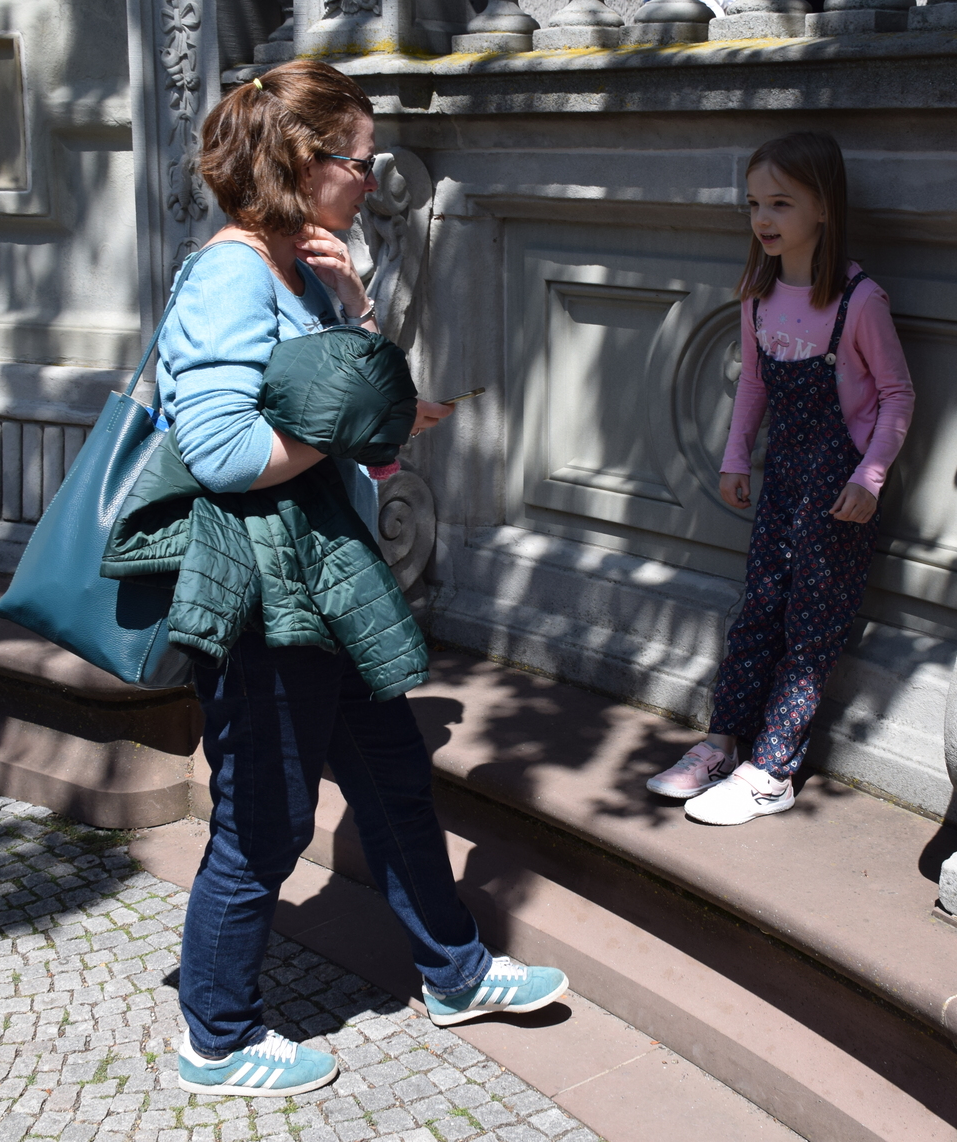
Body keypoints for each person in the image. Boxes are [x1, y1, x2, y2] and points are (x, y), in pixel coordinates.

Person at [158, 59, 567, 1098]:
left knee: (390, 779)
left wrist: (353, 307)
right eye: (359, 161)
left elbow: (358, 419)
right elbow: (221, 450)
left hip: (326, 580)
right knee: (263, 824)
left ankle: (455, 971)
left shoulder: (302, 271)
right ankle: (217, 1039)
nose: (370, 182)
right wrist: (352, 425)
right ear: (304, 160)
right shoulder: (231, 274)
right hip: (262, 593)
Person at [646, 132, 913, 825]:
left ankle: (772, 770)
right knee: (759, 611)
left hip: (838, 492)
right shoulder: (758, 297)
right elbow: (754, 385)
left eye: (781, 203)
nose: (763, 218)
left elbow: (897, 394)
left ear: (823, 207)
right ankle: (721, 744)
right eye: (753, 204)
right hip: (783, 482)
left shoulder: (859, 301)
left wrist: (870, 476)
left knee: (811, 625)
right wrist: (736, 458)